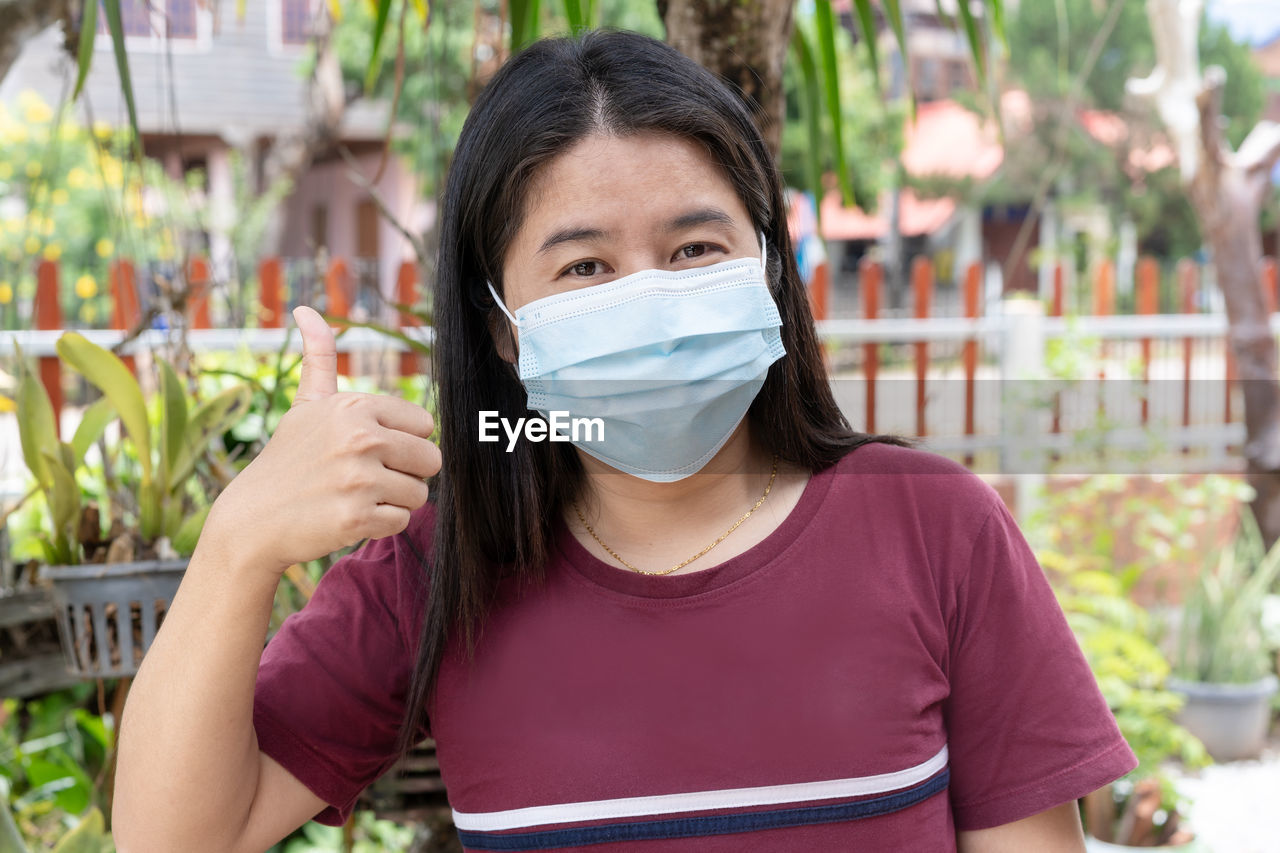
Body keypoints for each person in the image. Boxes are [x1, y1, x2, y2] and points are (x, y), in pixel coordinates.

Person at [112, 29, 1136, 852]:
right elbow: (169, 837)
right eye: (584, 268)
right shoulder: (440, 569)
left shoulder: (932, 526)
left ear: (768, 264)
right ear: (504, 330)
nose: (650, 296)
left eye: (694, 248)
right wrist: (239, 540)